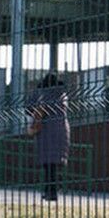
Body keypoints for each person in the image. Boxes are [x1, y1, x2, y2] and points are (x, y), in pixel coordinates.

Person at [29, 73, 71, 202]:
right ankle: (53, 190)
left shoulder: (45, 97)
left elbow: (37, 112)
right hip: (62, 130)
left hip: (47, 132)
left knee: (48, 164)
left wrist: (32, 126)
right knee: (54, 164)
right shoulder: (63, 96)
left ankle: (50, 192)